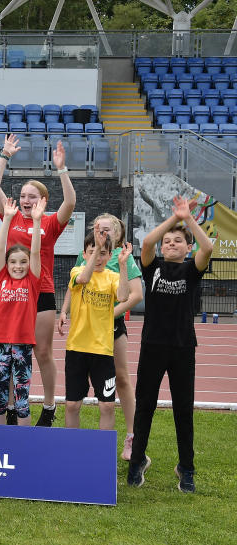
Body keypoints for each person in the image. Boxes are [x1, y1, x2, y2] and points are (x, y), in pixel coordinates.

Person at [0, 136, 76, 426]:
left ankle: (49, 406)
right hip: (12, 294)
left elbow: (71, 202)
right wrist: (5, 155)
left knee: (41, 351)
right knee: (11, 351)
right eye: (23, 195)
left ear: (42, 201)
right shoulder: (10, 215)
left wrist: (62, 169)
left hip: (41, 293)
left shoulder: (49, 223)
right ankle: (11, 407)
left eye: (32, 197)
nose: (26, 200)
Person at [128, 196, 213, 493]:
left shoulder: (191, 270)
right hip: (152, 346)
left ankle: (186, 468)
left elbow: (208, 248)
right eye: (168, 241)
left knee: (183, 410)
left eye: (178, 241)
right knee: (145, 407)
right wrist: (173, 219)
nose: (171, 244)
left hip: (182, 347)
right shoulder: (153, 268)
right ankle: (137, 461)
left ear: (187, 248)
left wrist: (187, 220)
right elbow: (148, 243)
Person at [61, 213, 144, 456]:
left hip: (107, 336)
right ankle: (71, 452)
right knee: (73, 402)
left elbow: (129, 295)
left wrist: (107, 315)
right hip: (80, 341)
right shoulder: (84, 260)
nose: (103, 234)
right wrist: (64, 311)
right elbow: (77, 282)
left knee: (118, 385)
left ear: (117, 235)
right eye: (100, 229)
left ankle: (126, 439)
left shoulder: (120, 263)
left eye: (108, 231)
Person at [59, 232, 131, 431]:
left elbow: (124, 296)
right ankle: (72, 449)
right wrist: (96, 248)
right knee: (73, 404)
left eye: (102, 253)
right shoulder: (76, 271)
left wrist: (123, 266)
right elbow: (83, 278)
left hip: (103, 351)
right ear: (84, 254)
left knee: (107, 405)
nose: (98, 258)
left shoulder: (112, 277)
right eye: (93, 253)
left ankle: (102, 455)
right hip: (77, 349)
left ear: (110, 257)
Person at [0, 197, 46, 425]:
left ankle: (25, 446)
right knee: (0, 399)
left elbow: (35, 253)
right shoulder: (1, 278)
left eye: (22, 262)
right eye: (13, 262)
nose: (18, 266)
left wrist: (36, 221)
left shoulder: (32, 281)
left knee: (22, 400)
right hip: (1, 344)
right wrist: (8, 219)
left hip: (23, 345)